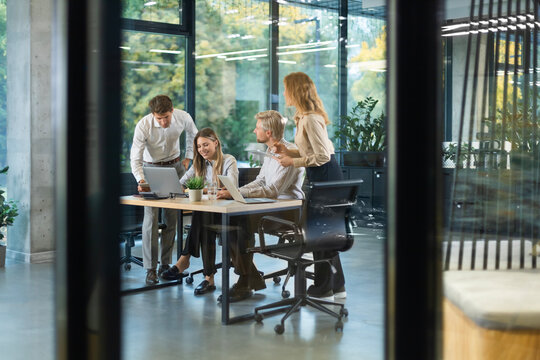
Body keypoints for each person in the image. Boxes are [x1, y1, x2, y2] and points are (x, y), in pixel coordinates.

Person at [272, 72, 346, 299]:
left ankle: (324, 288)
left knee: (319, 233)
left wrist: (292, 161)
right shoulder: (304, 117)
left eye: (286, 89)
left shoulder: (312, 119)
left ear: (295, 90)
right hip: (322, 175)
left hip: (325, 176)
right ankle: (337, 285)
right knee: (325, 233)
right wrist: (289, 151)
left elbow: (322, 156)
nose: (284, 93)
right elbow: (311, 151)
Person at [216, 110, 305, 301]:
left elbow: (273, 190)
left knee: (237, 221)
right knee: (230, 221)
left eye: (257, 128)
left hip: (287, 212)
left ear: (269, 133)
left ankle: (247, 280)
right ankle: (249, 278)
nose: (253, 130)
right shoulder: (269, 152)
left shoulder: (288, 153)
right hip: (271, 207)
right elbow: (260, 180)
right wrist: (235, 190)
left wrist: (239, 193)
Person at [160, 128, 239, 296]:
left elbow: (230, 187)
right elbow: (182, 184)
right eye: (199, 146)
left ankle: (184, 259)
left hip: (229, 214)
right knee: (203, 217)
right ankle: (207, 277)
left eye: (206, 144)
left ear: (215, 143)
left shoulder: (228, 160)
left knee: (202, 215)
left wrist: (200, 190)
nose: (202, 149)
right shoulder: (199, 164)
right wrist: (169, 188)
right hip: (209, 213)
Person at [130, 95, 198, 285]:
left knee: (171, 219)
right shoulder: (143, 125)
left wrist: (188, 157)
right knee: (151, 219)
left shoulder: (183, 117)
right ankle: (150, 268)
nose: (163, 121)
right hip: (150, 168)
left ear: (172, 110)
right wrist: (140, 178)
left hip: (175, 166)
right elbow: (135, 155)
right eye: (159, 118)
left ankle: (165, 264)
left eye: (166, 117)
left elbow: (194, 134)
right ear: (153, 115)